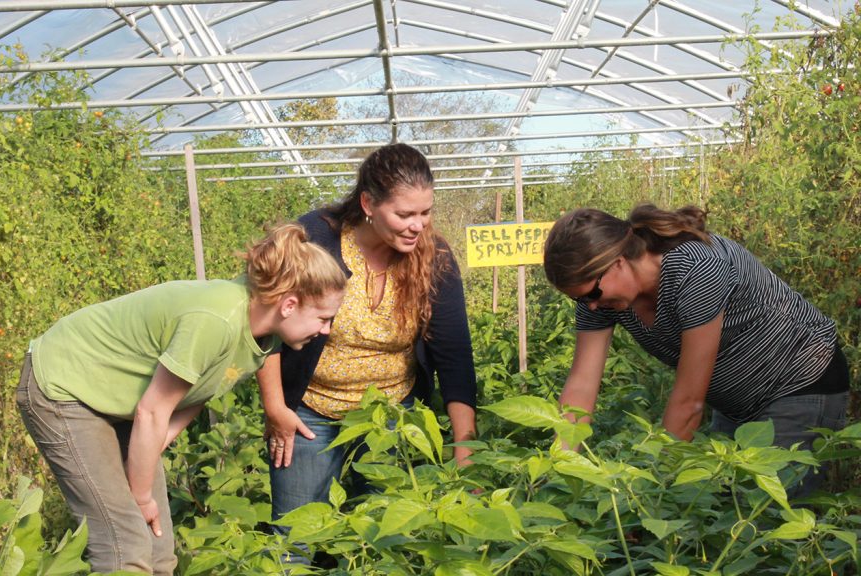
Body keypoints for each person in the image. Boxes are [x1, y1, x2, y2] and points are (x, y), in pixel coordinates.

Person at [15, 223, 346, 574]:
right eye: (323, 318)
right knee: (124, 544)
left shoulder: (264, 336)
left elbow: (195, 394)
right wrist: (140, 497)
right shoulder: (216, 320)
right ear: (289, 305)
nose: (326, 330)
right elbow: (152, 413)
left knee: (158, 549)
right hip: (66, 387)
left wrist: (145, 473)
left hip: (123, 401)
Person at [259, 143, 478, 558]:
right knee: (294, 539)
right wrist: (276, 408)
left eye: (425, 213)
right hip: (308, 412)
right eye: (404, 214)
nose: (418, 225)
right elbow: (266, 325)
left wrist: (465, 448)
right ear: (368, 204)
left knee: (384, 541)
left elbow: (454, 356)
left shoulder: (434, 257)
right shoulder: (317, 239)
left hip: (390, 415)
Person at [543, 204, 849, 495]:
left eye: (592, 293)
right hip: (735, 405)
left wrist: (654, 489)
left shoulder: (694, 268)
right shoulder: (600, 297)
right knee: (717, 508)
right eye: (580, 300)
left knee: (765, 517)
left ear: (618, 261)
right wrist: (558, 471)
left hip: (801, 381)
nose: (592, 305)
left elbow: (689, 401)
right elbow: (582, 387)